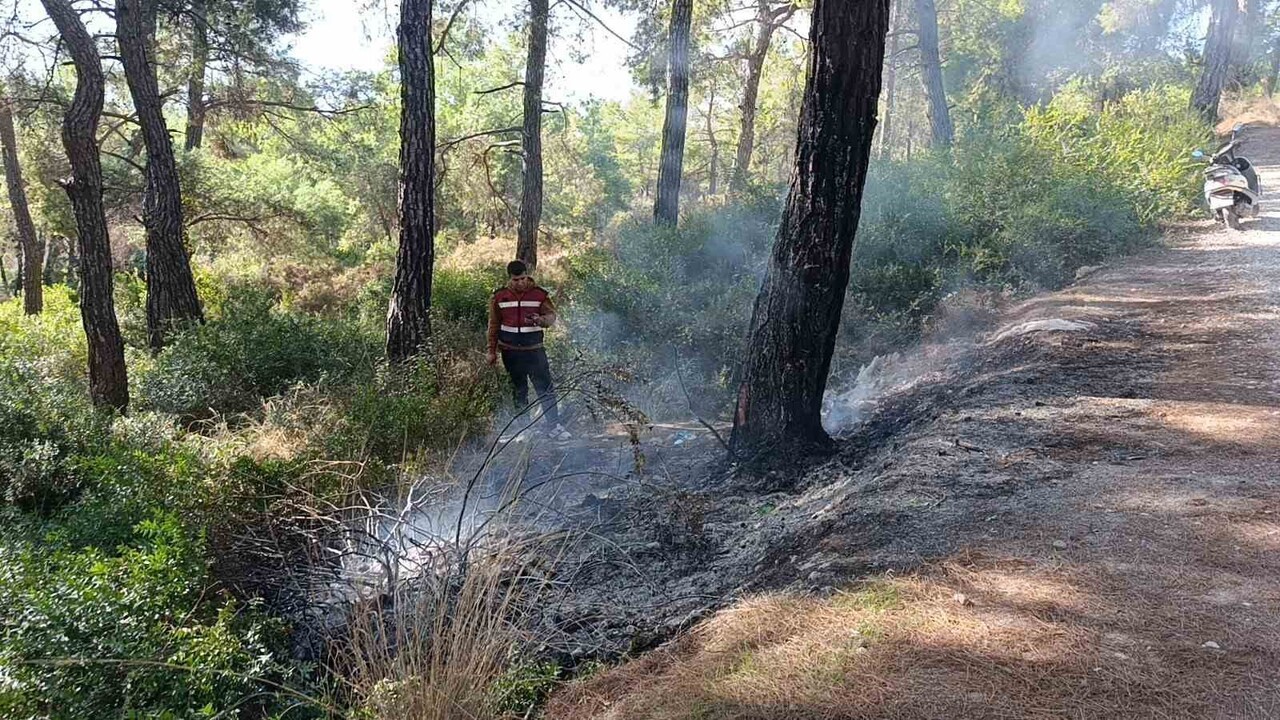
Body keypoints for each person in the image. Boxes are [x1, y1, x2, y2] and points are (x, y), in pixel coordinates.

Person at [487, 260, 571, 440]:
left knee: (545, 388)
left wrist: (541, 320)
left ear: (527, 275)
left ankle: (554, 426)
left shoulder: (539, 294)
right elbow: (493, 325)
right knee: (519, 390)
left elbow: (551, 316)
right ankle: (524, 429)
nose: (520, 283)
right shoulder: (499, 296)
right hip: (510, 352)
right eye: (516, 280)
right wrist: (491, 351)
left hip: (534, 351)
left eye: (523, 278)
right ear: (510, 278)